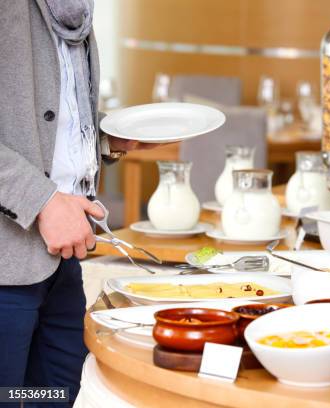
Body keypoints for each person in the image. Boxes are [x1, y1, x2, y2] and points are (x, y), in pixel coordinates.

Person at [0, 1, 157, 405]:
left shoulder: (74, 8)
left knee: (54, 397)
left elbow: (47, 116)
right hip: (6, 267)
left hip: (61, 261)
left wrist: (106, 138)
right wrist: (43, 202)